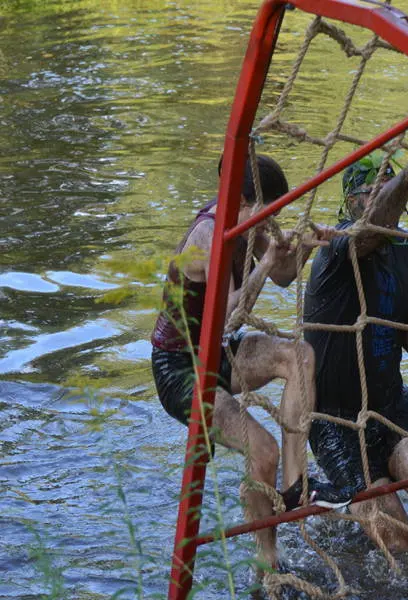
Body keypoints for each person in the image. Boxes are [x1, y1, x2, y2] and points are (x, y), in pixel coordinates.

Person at [150, 154, 349, 573]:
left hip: (217, 352)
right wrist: (265, 262)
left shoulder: (247, 223)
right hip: (180, 368)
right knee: (263, 451)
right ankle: (267, 560)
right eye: (268, 211)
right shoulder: (208, 235)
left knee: (299, 355)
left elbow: (284, 275)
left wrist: (307, 248)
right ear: (242, 201)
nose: (272, 220)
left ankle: (297, 487)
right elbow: (227, 316)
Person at [303, 140, 408, 561]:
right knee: (396, 537)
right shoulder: (337, 245)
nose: (379, 196)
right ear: (351, 200)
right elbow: (370, 232)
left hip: (390, 402)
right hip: (335, 417)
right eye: (371, 189)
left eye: (387, 185)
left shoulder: (404, 248)